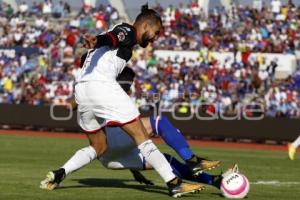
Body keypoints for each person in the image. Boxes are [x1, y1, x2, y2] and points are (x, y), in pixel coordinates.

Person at [41, 5, 217, 197]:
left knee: (98, 146)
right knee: (141, 135)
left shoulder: (109, 44)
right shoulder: (129, 30)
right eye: (155, 32)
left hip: (82, 92)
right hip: (101, 86)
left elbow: (88, 56)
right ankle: (176, 182)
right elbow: (116, 37)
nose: (154, 38)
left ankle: (60, 173)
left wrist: (96, 43)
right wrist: (98, 40)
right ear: (146, 25)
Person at [41, 66, 221, 196]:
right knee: (159, 122)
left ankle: (214, 181)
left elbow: (73, 104)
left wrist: (135, 170)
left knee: (165, 161)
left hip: (109, 158)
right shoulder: (118, 92)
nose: (131, 85)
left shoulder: (93, 91)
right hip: (115, 140)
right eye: (131, 82)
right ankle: (192, 160)